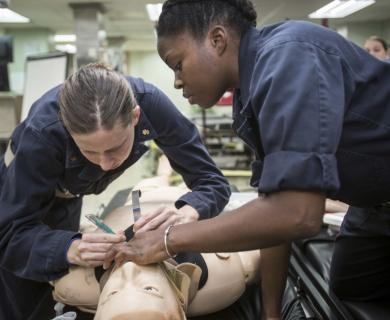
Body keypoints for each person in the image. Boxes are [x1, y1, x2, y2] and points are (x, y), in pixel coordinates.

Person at [103, 1, 390, 319]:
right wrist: (270, 314)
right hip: (373, 207)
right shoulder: (250, 98)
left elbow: (297, 214)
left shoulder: (290, 57)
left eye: (178, 64)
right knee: (350, 286)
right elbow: (275, 210)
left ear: (217, 39)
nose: (177, 81)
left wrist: (168, 240)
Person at [0, 63, 230, 319]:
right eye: (88, 151)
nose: (105, 164)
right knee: (25, 296)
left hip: (68, 194)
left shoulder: (152, 104)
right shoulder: (42, 133)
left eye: (115, 148)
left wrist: (187, 212)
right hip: (17, 192)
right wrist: (70, 248)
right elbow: (10, 234)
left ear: (135, 116)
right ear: (66, 129)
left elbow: (212, 181)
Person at [52, 176, 260, 320]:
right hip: (185, 200)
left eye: (113, 292)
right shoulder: (225, 278)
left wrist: (78, 241)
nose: (129, 271)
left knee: (150, 183)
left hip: (141, 195)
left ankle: (164, 169)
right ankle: (166, 168)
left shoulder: (73, 286)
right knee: (199, 181)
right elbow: (263, 240)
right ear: (180, 303)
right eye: (149, 289)